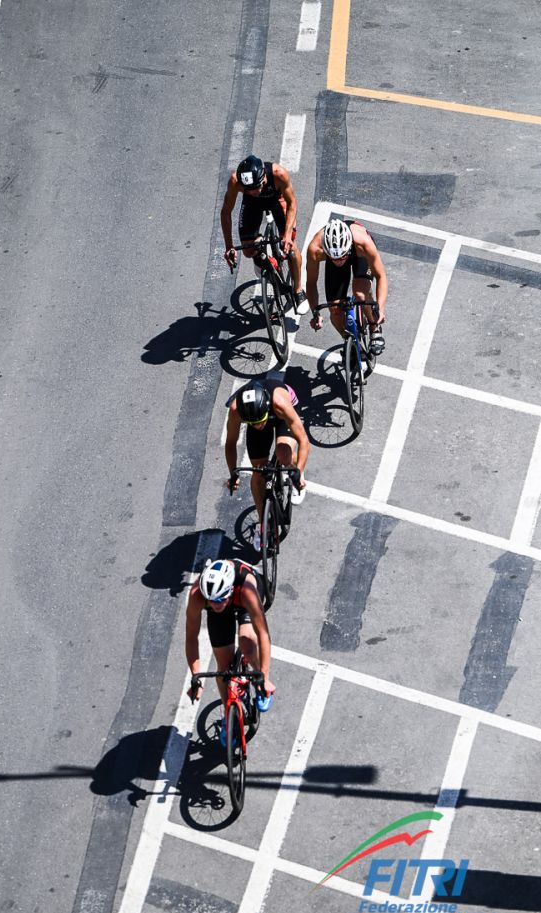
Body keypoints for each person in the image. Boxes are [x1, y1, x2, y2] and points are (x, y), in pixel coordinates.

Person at [185, 558, 275, 742]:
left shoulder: (246, 590)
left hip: (243, 599)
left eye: (219, 600)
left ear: (230, 589)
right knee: (223, 668)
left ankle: (258, 683)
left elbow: (263, 635)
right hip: (226, 604)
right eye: (211, 601)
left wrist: (264, 676)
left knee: (247, 642)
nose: (216, 604)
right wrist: (195, 677)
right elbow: (191, 637)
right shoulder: (198, 594)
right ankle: (229, 714)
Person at [224, 371, 309, 551]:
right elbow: (230, 443)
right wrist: (233, 473)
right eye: (252, 424)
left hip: (281, 416)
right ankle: (263, 524)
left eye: (260, 422)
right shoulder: (236, 410)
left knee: (283, 453)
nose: (258, 427)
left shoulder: (280, 403)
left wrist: (299, 472)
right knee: (258, 472)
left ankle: (293, 472)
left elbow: (303, 439)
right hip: (260, 413)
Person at [221, 154, 310, 315]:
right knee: (248, 250)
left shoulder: (279, 174)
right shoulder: (236, 181)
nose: (254, 192)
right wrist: (229, 246)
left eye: (257, 187)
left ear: (263, 177)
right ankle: (260, 257)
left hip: (276, 200)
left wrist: (287, 235)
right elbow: (226, 213)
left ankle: (298, 291)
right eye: (248, 189)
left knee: (290, 247)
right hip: (251, 205)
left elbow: (292, 203)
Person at [306, 217, 388, 352]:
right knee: (335, 310)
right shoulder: (315, 249)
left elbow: (381, 276)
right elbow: (311, 283)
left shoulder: (363, 243)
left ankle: (374, 327)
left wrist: (380, 308)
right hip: (339, 254)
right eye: (335, 258)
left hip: (358, 256)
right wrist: (315, 312)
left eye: (342, 257)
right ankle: (349, 340)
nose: (339, 261)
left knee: (361, 294)